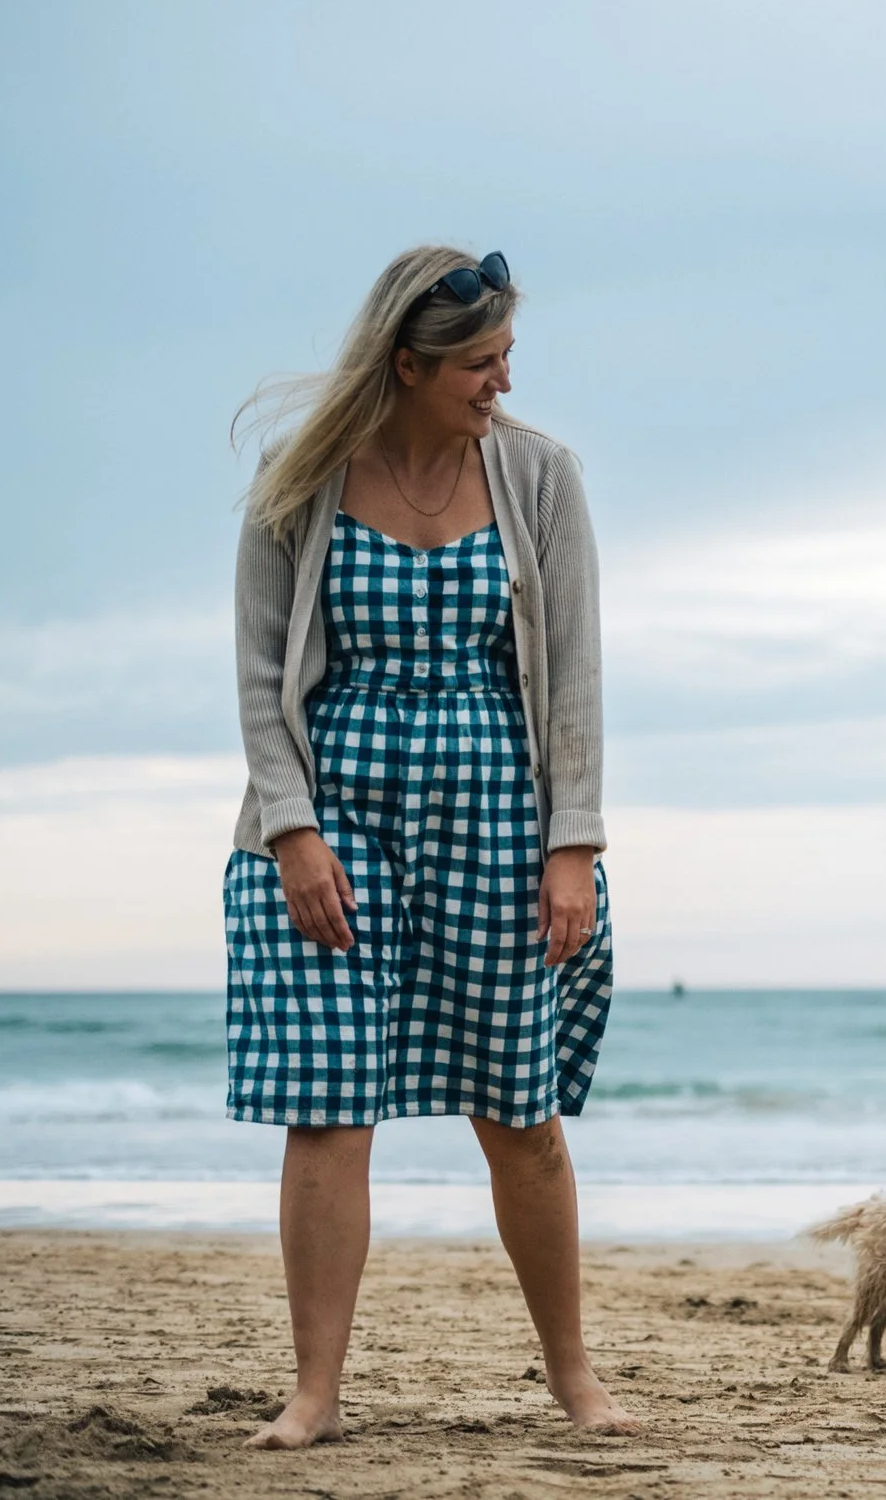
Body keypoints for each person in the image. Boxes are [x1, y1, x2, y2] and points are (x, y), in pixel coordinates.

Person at [225, 246, 634, 1446]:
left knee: (519, 1111)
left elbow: (577, 679)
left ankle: (573, 1376)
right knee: (328, 1101)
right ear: (406, 364)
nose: (501, 380)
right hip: (329, 818)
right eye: (478, 362)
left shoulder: (541, 476)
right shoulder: (299, 474)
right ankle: (316, 1392)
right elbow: (261, 675)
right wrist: (291, 830)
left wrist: (574, 845)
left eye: (505, 356)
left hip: (499, 817)